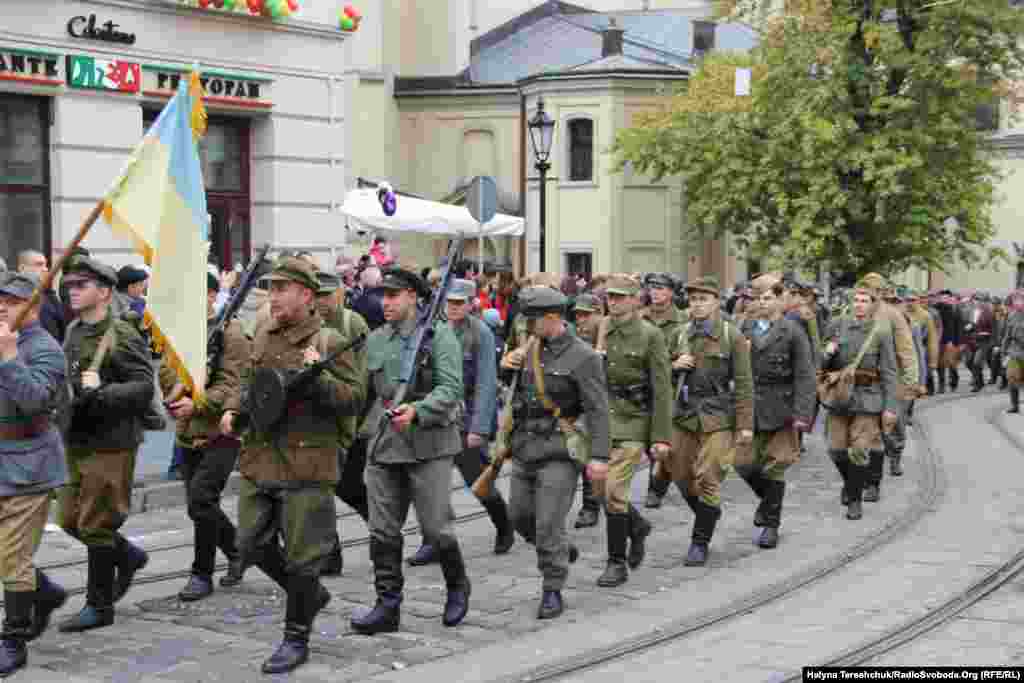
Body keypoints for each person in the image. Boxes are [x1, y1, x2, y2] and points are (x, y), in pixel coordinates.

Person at [221, 256, 364, 674]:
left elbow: (354, 398)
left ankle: (295, 636)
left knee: (303, 556)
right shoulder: (263, 333)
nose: (274, 296)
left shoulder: (328, 342)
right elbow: (248, 382)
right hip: (261, 455)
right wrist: (232, 408)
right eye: (271, 288)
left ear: (306, 295)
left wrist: (315, 376)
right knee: (248, 543)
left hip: (308, 460)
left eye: (282, 288)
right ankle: (310, 595)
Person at [350, 266, 470, 636]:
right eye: (383, 295)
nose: (385, 302)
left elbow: (451, 388)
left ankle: (457, 584)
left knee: (436, 528)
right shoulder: (376, 340)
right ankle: (387, 605)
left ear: (413, 297)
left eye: (394, 295)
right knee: (382, 530)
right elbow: (361, 392)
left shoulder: (440, 336)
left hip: (429, 443)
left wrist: (418, 410)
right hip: (385, 443)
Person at [499, 286, 609, 618]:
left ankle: (552, 586)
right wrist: (507, 366)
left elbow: (598, 409)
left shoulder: (584, 357)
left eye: (532, 320)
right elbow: (520, 395)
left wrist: (600, 457)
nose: (527, 327)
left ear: (552, 318)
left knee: (548, 523)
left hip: (560, 449)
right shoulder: (531, 347)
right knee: (519, 516)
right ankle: (560, 549)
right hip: (525, 446)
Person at [58, 256, 155, 632]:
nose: (73, 291)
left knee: (97, 523)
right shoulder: (74, 331)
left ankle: (99, 606)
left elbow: (144, 386)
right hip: (76, 437)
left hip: (111, 442)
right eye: (70, 286)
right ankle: (127, 555)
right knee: (68, 519)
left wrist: (105, 392)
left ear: (104, 292)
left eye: (81, 286)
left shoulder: (122, 333)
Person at [406, 279, 513, 565]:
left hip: (466, 418)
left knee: (478, 481)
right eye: (449, 302)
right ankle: (434, 540)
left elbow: (486, 383)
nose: (453, 308)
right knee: (430, 485)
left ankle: (503, 524)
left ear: (470, 304)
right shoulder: (432, 329)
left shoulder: (481, 334)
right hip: (436, 414)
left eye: (459, 303)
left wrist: (479, 428)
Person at [160, 272, 249, 601]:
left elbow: (233, 384)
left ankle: (201, 573)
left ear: (213, 296)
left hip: (219, 432)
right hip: (187, 432)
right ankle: (239, 550)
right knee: (199, 506)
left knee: (201, 498)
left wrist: (196, 402)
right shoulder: (179, 332)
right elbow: (166, 370)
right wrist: (178, 390)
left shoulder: (233, 332)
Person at [0, 273, 70, 676]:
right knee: (8, 556)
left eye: (12, 301)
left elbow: (35, 402)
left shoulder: (45, 349)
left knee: (13, 557)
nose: (4, 308)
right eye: (0, 301)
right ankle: (43, 594)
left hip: (30, 466)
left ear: (34, 306)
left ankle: (14, 638)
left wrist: (9, 359)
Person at [667, 276, 754, 566]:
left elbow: (743, 383)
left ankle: (699, 542)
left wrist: (744, 425)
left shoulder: (732, 336)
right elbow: (659, 373)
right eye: (693, 300)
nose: (697, 304)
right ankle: (709, 512)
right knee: (680, 475)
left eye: (703, 299)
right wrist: (673, 365)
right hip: (685, 415)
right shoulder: (679, 334)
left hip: (718, 415)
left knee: (708, 476)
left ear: (716, 302)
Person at [592, 275, 672, 586]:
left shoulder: (650, 335)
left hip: (634, 419)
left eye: (620, 296)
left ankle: (616, 562)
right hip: (603, 421)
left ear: (636, 300)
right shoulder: (604, 328)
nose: (613, 301)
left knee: (614, 490)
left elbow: (662, 388)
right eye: (610, 296)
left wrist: (661, 436)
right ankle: (636, 526)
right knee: (601, 489)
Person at [736, 275, 815, 548]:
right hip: (749, 406)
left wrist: (803, 413)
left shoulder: (793, 331)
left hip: (782, 406)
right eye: (758, 297)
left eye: (768, 297)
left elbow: (805, 375)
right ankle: (768, 500)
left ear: (781, 300)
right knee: (743, 464)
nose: (762, 302)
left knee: (775, 467)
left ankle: (771, 525)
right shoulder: (745, 327)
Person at [820, 282, 898, 521]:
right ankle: (852, 481)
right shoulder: (836, 326)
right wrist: (827, 353)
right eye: (856, 300)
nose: (859, 305)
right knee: (836, 450)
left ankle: (854, 500)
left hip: (868, 398)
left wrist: (891, 407)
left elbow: (889, 371)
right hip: (840, 396)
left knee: (859, 451)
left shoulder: (881, 332)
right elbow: (820, 364)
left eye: (865, 301)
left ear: (873, 305)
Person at [314, 271, 371, 577]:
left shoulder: (352, 324)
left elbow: (363, 376)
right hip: (323, 420)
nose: (321, 302)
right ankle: (330, 554)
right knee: (324, 489)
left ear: (339, 294)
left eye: (326, 295)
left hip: (352, 420)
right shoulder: (311, 325)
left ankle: (381, 529)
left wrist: (356, 417)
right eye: (317, 295)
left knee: (349, 488)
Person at [858, 274, 920, 504]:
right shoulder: (853, 312)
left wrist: (911, 382)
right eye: (865, 287)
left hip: (891, 379)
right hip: (863, 381)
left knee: (893, 425)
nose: (868, 293)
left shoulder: (893, 315)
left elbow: (906, 349)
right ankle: (869, 480)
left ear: (882, 292)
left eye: (873, 289)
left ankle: (895, 453)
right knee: (866, 432)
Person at [640, 273, 688, 510]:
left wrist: (673, 364)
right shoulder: (639, 318)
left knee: (663, 438)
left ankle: (656, 487)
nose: (655, 292)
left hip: (670, 388)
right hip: (640, 386)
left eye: (660, 288)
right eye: (652, 288)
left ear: (671, 292)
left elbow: (687, 356)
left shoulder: (682, 321)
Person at [569, 292, 605, 530]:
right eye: (578, 315)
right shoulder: (571, 338)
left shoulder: (609, 338)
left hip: (600, 408)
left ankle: (591, 506)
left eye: (586, 315)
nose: (580, 320)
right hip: (574, 405)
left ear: (599, 315)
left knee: (592, 458)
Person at [16, 250, 65, 343]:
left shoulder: (49, 295)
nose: (45, 269)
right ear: (22, 268)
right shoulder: (14, 297)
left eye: (45, 265)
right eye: (39, 265)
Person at [1001, 291, 1024, 414]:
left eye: (1020, 300)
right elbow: (1007, 336)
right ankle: (1014, 405)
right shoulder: (1011, 316)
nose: (1018, 302)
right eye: (1016, 300)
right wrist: (1003, 352)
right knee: (1012, 378)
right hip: (1015, 352)